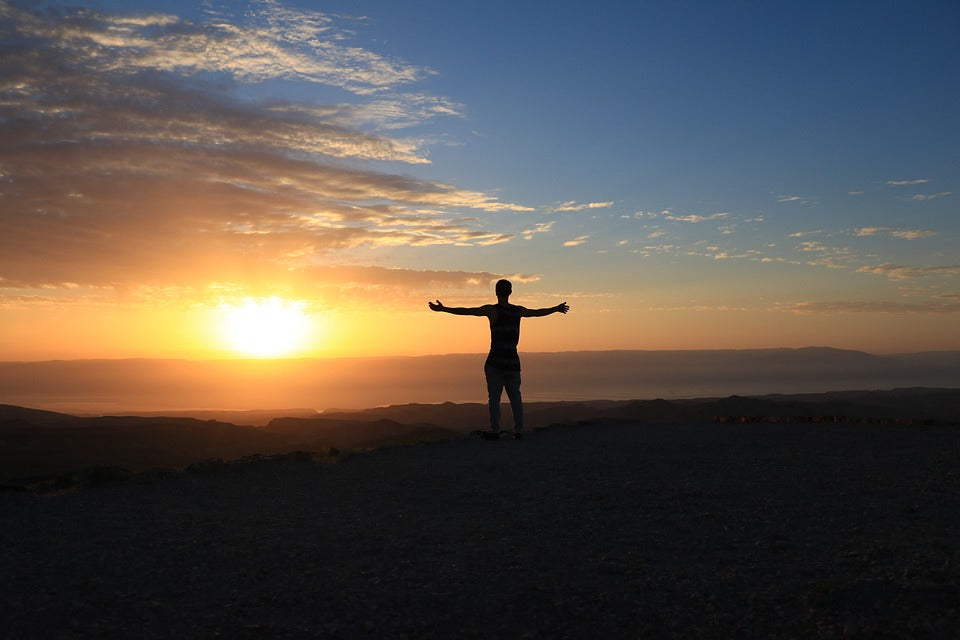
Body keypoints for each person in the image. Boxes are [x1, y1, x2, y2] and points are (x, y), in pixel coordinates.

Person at [428, 279, 569, 440]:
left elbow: (468, 311)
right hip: (513, 363)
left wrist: (444, 309)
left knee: (494, 399)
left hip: (495, 362)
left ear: (496, 292)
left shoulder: (491, 310)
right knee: (515, 398)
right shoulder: (518, 311)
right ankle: (519, 431)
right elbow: (537, 312)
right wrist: (556, 309)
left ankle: (495, 431)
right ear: (510, 292)